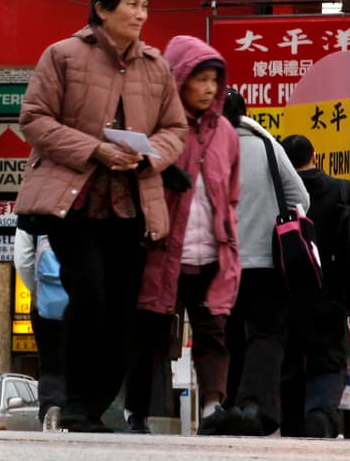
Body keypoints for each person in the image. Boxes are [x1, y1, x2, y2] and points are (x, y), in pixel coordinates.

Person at [12, 0, 187, 433]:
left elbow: (176, 130)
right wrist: (95, 148)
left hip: (132, 203)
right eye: (131, 4)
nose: (141, 13)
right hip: (78, 202)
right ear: (102, 8)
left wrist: (149, 156)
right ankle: (74, 402)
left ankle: (92, 405)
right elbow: (33, 118)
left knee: (122, 308)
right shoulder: (63, 55)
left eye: (144, 5)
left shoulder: (156, 65)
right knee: (89, 296)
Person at [123, 35, 240, 436]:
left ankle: (212, 407)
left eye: (214, 80)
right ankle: (134, 411)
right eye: (200, 79)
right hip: (162, 248)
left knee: (212, 334)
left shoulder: (225, 131)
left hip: (210, 253)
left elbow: (232, 194)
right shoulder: (159, 126)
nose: (208, 88)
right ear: (179, 79)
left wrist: (229, 241)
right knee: (149, 335)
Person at [221, 89, 309, 436]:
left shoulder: (207, 148)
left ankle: (227, 407)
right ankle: (255, 405)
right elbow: (300, 198)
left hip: (220, 261)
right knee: (266, 334)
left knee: (227, 335)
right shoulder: (268, 145)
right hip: (267, 260)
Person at [279, 132, 350, 438]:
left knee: (290, 362)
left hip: (289, 294)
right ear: (315, 156)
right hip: (331, 294)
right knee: (329, 362)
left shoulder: (281, 194)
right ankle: (320, 413)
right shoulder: (340, 189)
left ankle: (293, 424)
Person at [13, 228, 66, 431]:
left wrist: (38, 291)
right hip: (84, 301)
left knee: (50, 362)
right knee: (82, 359)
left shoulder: (32, 206)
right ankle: (78, 412)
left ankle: (51, 406)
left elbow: (23, 260)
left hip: (46, 302)